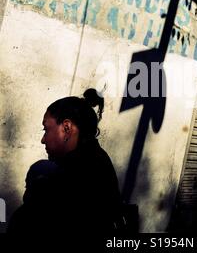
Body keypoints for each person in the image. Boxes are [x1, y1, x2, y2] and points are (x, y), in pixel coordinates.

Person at [7, 88, 123, 236]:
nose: (43, 140)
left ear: (66, 128)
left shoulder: (76, 175)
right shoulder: (96, 158)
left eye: (46, 129)